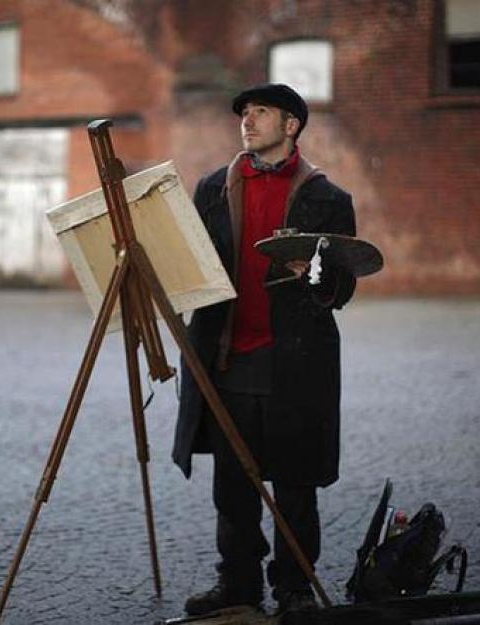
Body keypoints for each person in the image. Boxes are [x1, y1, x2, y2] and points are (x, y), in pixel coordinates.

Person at [172, 83, 357, 615]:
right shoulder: (212, 189)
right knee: (232, 486)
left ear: (291, 125)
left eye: (261, 113)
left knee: (296, 485)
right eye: (244, 113)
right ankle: (239, 584)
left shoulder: (328, 199)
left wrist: (315, 277)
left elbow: (342, 290)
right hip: (228, 360)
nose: (247, 121)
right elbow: (189, 265)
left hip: (295, 364)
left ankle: (294, 587)